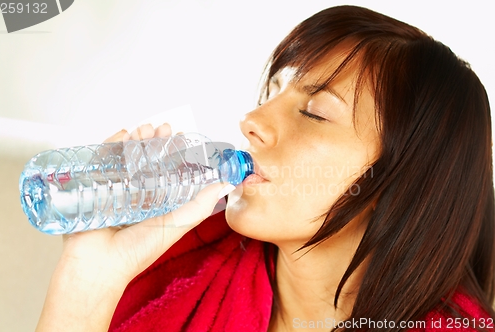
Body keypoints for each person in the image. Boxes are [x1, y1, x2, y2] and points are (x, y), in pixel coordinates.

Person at [35, 5, 494, 332]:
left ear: (405, 181)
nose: (251, 122)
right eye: (268, 95)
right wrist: (90, 275)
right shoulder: (189, 276)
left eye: (314, 111)